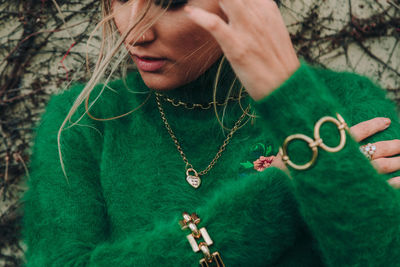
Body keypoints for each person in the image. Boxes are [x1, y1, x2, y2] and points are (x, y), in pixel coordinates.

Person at [20, 0, 400, 266]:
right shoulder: (87, 121)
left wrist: (293, 102)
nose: (134, 31)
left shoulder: (344, 105)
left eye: (172, 1)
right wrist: (283, 191)